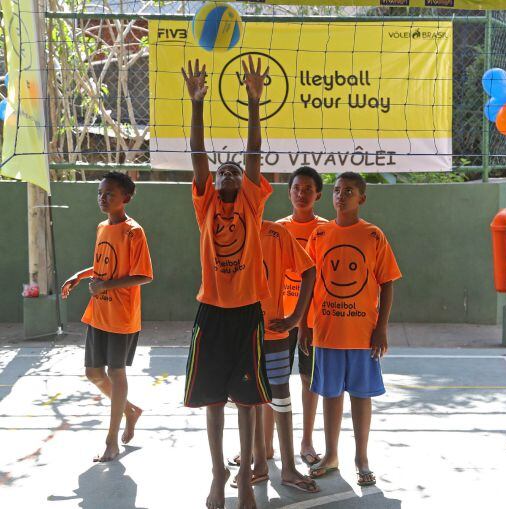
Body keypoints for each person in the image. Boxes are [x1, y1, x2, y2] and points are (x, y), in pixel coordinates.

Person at [181, 57, 272, 509]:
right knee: (213, 398)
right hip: (212, 311)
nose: (229, 174)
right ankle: (218, 473)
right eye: (223, 172)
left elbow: (253, 151)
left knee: (249, 399)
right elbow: (198, 154)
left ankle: (244, 482)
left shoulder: (253, 205)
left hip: (248, 313)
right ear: (213, 183)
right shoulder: (207, 206)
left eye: (235, 171)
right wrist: (196, 104)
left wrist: (254, 103)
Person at [303, 172, 401, 488]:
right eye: (336, 190)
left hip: (362, 334)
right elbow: (309, 283)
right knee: (330, 394)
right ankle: (331, 455)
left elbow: (387, 283)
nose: (340, 195)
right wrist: (305, 323)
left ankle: (362, 458)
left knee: (361, 395)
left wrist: (381, 328)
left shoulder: (373, 235)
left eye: (348, 191)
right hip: (327, 332)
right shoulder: (319, 234)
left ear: (361, 198)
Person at [61, 171, 153, 463]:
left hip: (122, 316)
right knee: (93, 373)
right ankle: (129, 409)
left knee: (115, 372)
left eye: (109, 193)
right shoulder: (102, 227)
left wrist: (106, 285)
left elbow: (144, 275)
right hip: (99, 311)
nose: (102, 197)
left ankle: (111, 440)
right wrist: (81, 275)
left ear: (125, 198)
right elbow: (103, 265)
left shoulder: (134, 231)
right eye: (100, 193)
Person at [254, 219, 319, 493]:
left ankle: (289, 468)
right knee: (249, 400)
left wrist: (296, 317)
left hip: (273, 333)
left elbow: (309, 271)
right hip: (239, 336)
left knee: (281, 397)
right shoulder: (224, 227)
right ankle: (256, 464)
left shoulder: (276, 233)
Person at [275, 166, 329, 467]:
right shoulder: (278, 229)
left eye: (308, 189)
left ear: (317, 194)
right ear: (289, 192)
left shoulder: (325, 230)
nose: (301, 193)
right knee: (275, 379)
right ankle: (264, 444)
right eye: (297, 188)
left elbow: (320, 279)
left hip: (311, 320)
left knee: (309, 379)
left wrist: (305, 320)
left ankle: (306, 440)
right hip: (280, 318)